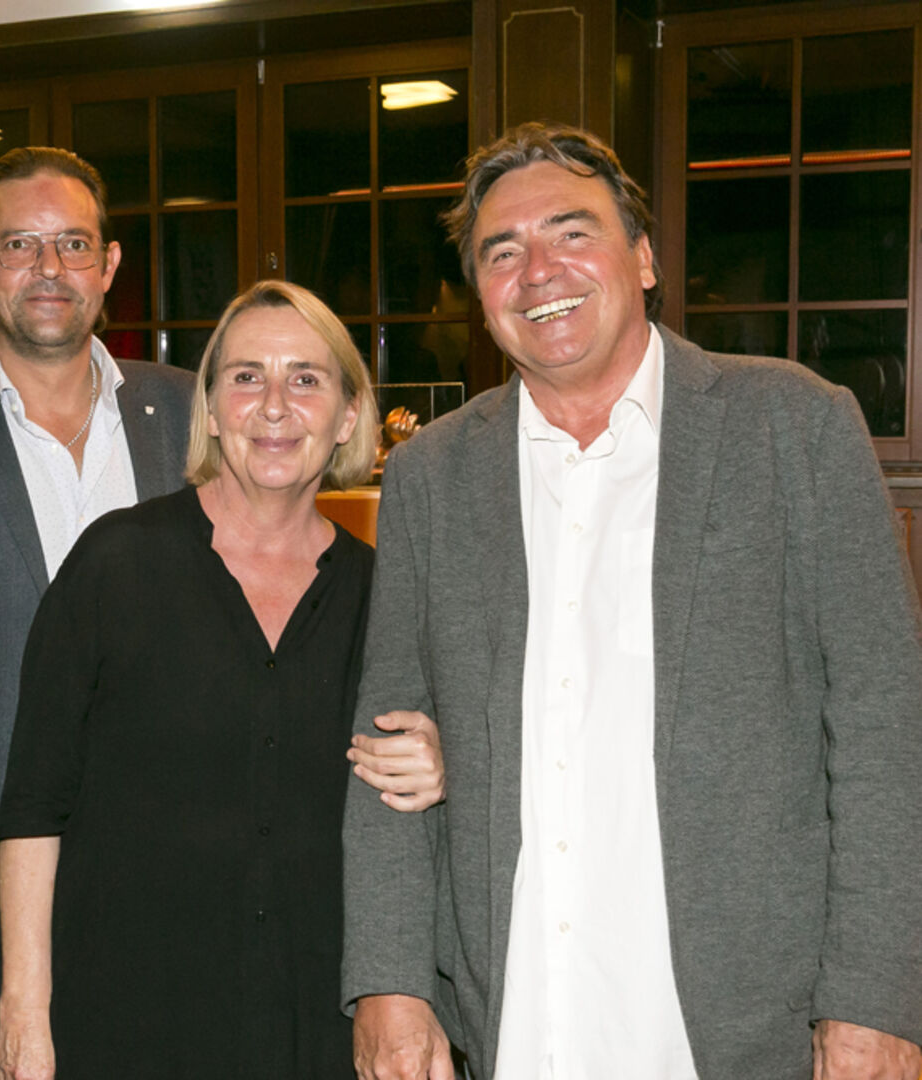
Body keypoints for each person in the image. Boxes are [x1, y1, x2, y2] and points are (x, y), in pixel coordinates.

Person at [341, 122, 922, 1080]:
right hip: (518, 1019)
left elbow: (884, 729)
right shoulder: (432, 476)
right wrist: (390, 985)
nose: (538, 271)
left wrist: (872, 999)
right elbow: (388, 748)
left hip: (742, 1027)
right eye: (501, 252)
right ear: (479, 293)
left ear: (643, 259)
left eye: (571, 233)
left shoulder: (794, 425)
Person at [0, 281, 443, 1080]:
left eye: (305, 378)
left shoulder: (384, 595)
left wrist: (441, 768)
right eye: (245, 377)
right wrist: (23, 1011)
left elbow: (414, 811)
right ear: (208, 410)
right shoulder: (114, 564)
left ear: (347, 416)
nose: (273, 406)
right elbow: (33, 805)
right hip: (126, 1023)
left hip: (314, 1024)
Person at [0, 146, 193, 795]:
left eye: (73, 244)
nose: (49, 268)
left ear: (108, 265)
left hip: (182, 806)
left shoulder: (194, 414)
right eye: (18, 245)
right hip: (0, 815)